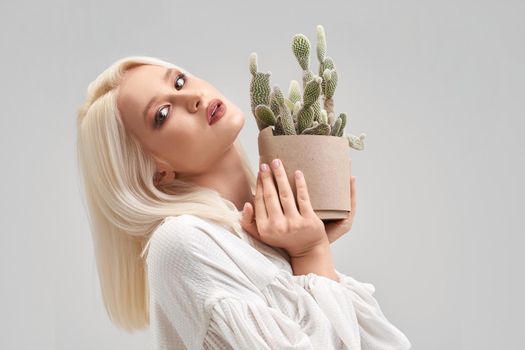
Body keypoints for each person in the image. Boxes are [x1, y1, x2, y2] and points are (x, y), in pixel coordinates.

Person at [76, 55, 412, 349]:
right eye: (162, 113)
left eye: (179, 81)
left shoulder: (257, 239)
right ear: (156, 171)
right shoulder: (182, 241)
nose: (192, 97)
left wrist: (305, 249)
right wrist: (312, 253)